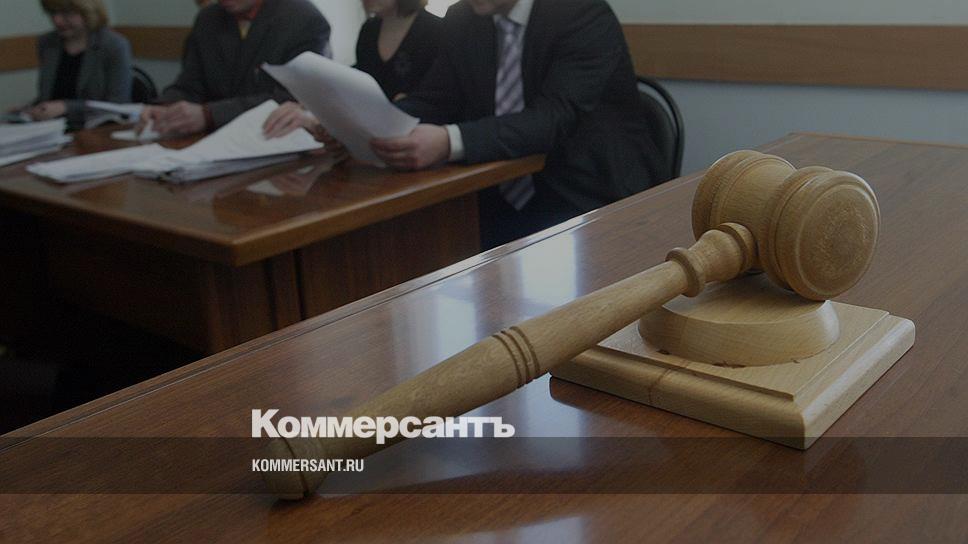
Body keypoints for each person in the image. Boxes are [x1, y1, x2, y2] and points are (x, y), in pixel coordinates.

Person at [369, 0, 671, 248]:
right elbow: (436, 98)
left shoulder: (582, 12)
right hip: (496, 195)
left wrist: (449, 141)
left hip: (589, 193)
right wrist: (370, 121)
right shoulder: (462, 18)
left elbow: (551, 119)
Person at [140, 0, 332, 139]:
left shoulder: (304, 19)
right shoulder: (208, 18)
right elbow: (190, 84)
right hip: (211, 143)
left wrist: (209, 114)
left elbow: (297, 98)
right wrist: (165, 105)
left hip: (275, 141)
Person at [262, 0, 443, 139]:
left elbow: (433, 99)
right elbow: (360, 84)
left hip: (417, 136)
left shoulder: (436, 30)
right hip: (370, 136)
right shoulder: (369, 30)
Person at [17, 0, 132, 126]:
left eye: (67, 13)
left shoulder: (113, 45)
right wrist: (31, 109)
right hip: (51, 128)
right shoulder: (47, 43)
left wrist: (66, 107)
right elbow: (50, 95)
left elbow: (118, 105)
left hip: (95, 128)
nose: (57, 20)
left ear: (88, 13)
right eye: (53, 13)